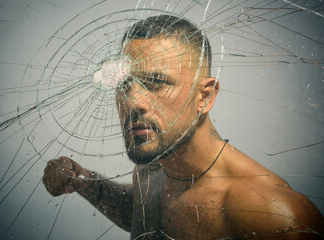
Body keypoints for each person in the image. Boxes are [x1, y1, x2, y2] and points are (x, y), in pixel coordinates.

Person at [42, 15, 324, 239]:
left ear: (205, 97)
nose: (133, 102)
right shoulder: (150, 171)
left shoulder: (270, 216)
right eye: (125, 84)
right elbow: (145, 217)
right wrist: (83, 180)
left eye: (156, 82)